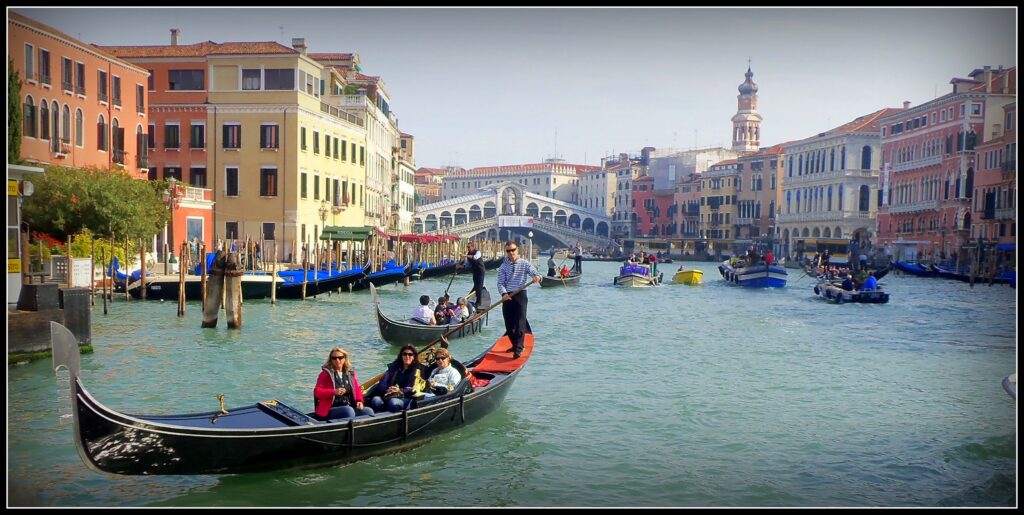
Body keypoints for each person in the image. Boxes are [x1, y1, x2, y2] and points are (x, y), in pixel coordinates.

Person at [497, 241, 541, 359]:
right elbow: (500, 283)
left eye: (513, 250)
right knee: (509, 324)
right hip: (507, 295)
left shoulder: (524, 263)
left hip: (520, 294)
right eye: (508, 251)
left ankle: (519, 348)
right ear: (506, 252)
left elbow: (533, 271)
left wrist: (537, 277)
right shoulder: (503, 267)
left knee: (520, 321)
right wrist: (504, 294)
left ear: (517, 250)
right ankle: (515, 344)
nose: (511, 253)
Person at [313, 347, 374, 421]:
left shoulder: (350, 374)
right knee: (348, 411)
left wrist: (359, 401)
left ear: (345, 358)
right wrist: (334, 392)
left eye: (340, 358)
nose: (337, 360)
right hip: (330, 409)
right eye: (334, 358)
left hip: (348, 405)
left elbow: (356, 389)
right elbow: (317, 392)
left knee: (369, 411)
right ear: (331, 360)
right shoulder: (325, 374)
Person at [369, 345, 427, 413]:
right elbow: (383, 383)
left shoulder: (419, 369)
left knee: (393, 402)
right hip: (390, 395)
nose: (407, 356)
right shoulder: (395, 368)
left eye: (410, 354)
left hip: (407, 397)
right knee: (375, 400)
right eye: (404, 354)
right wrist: (388, 389)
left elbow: (416, 388)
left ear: (414, 356)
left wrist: (400, 390)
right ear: (401, 356)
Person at [457, 241, 488, 311]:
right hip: (474, 271)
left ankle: (478, 302)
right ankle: (467, 298)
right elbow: (467, 264)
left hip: (480, 271)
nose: (468, 248)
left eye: (469, 247)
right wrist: (460, 266)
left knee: (479, 286)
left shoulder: (478, 252)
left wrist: (465, 256)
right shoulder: (468, 254)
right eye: (467, 247)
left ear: (473, 247)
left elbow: (475, 257)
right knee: (476, 286)